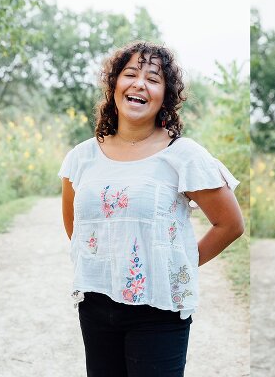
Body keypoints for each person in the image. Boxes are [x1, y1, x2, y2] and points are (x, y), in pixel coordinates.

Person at [59, 41, 244, 376]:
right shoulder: (81, 157)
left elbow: (229, 225)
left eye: (153, 78)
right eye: (130, 74)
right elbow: (76, 226)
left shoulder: (183, 155)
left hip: (159, 309)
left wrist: (176, 264)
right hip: (95, 303)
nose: (139, 84)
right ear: (114, 86)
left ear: (165, 96)